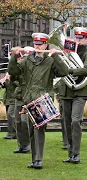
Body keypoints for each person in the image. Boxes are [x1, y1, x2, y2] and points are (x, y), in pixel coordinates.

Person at [8, 33, 68, 169]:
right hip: (28, 99)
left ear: (46, 44)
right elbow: (13, 71)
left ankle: (38, 160)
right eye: (35, 44)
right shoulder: (27, 60)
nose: (37, 46)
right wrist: (14, 56)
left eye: (40, 44)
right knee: (31, 130)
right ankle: (35, 160)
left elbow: (64, 72)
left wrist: (56, 56)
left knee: (38, 129)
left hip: (43, 99)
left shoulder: (50, 61)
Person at [60, 27, 87, 164]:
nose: (78, 40)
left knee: (75, 121)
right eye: (76, 37)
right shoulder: (69, 50)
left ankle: (76, 154)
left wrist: (70, 70)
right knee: (67, 123)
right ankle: (71, 154)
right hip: (67, 90)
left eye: (81, 38)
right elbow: (60, 66)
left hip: (81, 92)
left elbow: (86, 69)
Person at [13, 46, 33, 154]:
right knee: (17, 122)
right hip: (19, 96)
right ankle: (21, 144)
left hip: (28, 97)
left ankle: (27, 144)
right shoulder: (20, 67)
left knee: (25, 121)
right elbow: (14, 79)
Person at [0, 73, 17, 139]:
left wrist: (11, 80)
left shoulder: (18, 73)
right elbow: (7, 86)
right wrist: (3, 82)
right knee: (9, 116)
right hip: (8, 99)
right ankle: (12, 133)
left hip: (14, 98)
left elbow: (20, 84)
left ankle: (12, 133)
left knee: (10, 114)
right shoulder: (8, 73)